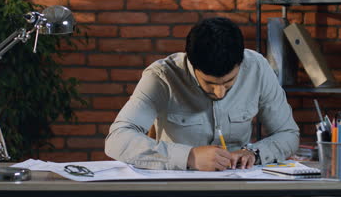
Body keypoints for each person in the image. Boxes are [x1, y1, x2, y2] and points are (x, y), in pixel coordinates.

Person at [105, 16, 299, 171]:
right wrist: (189, 157)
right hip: (177, 188)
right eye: (209, 83)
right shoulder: (162, 77)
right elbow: (117, 139)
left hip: (238, 188)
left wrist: (254, 153)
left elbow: (288, 134)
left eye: (229, 82)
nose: (220, 92)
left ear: (241, 63)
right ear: (191, 63)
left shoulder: (257, 68)